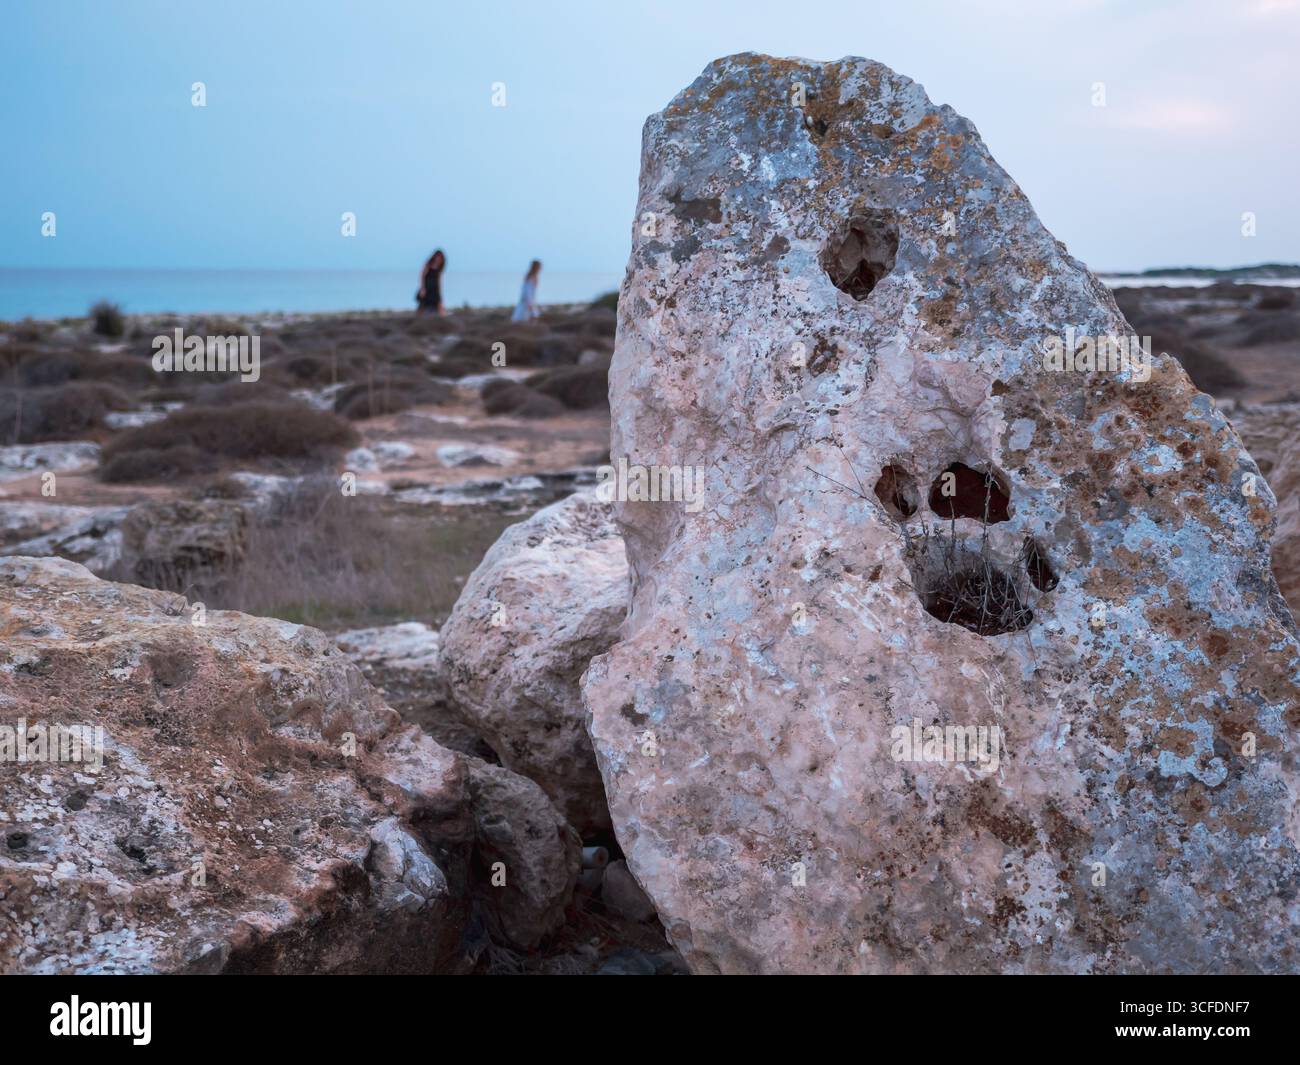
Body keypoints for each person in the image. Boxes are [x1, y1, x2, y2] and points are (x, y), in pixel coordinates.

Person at [416, 249, 446, 314]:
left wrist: (440, 293)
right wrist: (422, 288)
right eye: (438, 257)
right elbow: (422, 276)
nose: (439, 259)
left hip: (435, 290)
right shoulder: (428, 265)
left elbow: (439, 282)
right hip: (427, 288)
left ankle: (442, 317)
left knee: (438, 303)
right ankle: (419, 318)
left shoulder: (439, 269)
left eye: (440, 258)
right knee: (423, 304)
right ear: (434, 256)